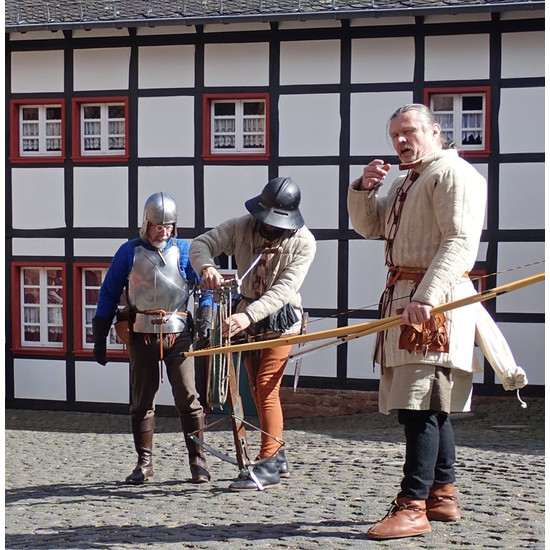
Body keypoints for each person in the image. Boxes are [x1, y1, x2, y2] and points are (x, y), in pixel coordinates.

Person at [348, 104, 487, 540]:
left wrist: (427, 295)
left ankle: (413, 505)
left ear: (434, 130)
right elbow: (371, 229)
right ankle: (442, 496)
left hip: (432, 301)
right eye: (395, 135)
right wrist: (365, 189)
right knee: (428, 404)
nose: (401, 141)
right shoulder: (411, 178)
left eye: (409, 132)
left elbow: (460, 240)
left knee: (419, 405)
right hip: (405, 298)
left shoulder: (452, 173)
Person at [190, 176, 316, 491]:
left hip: (280, 320)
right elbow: (202, 244)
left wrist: (247, 314)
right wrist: (207, 268)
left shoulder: (304, 242)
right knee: (257, 389)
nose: (269, 226)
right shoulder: (241, 226)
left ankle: (269, 463)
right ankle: (279, 454)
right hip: (247, 319)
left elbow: (285, 288)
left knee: (265, 387)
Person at [92, 192, 213, 485]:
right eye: (158, 226)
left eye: (168, 225)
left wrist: (207, 318)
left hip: (179, 334)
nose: (163, 231)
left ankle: (198, 462)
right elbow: (108, 292)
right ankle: (144, 463)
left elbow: (207, 287)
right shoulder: (128, 252)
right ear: (145, 224)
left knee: (188, 398)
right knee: (141, 401)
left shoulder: (186, 251)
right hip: (141, 332)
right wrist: (99, 333)